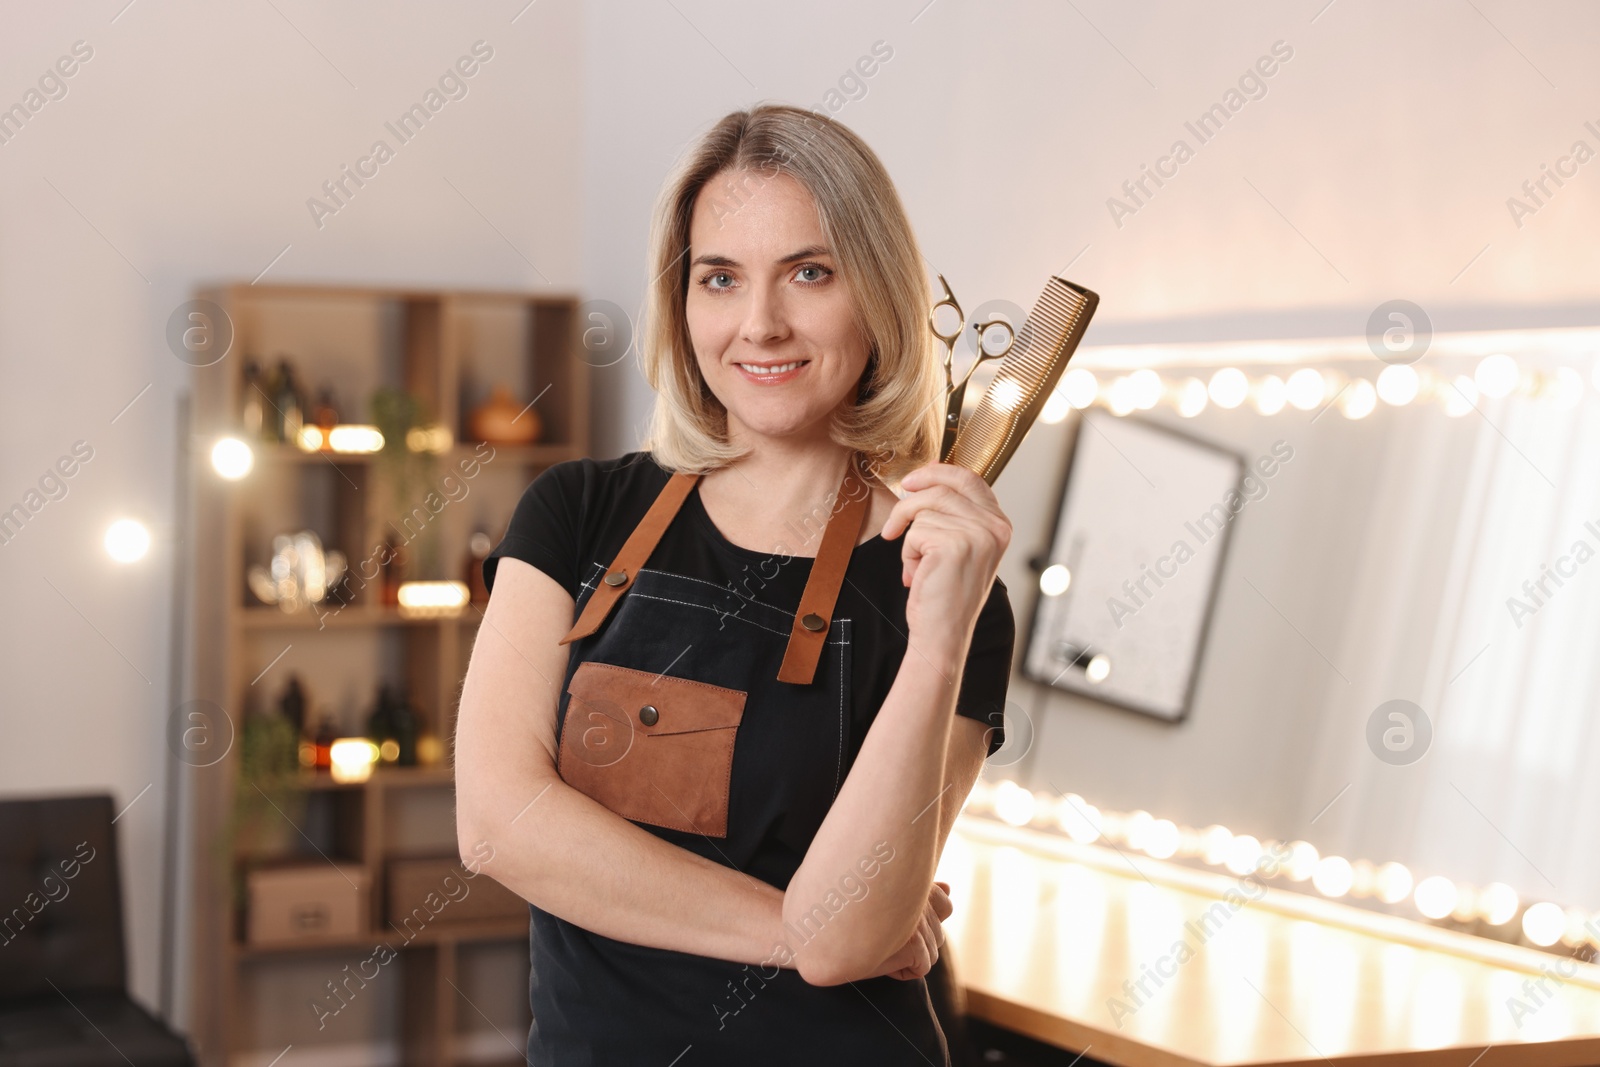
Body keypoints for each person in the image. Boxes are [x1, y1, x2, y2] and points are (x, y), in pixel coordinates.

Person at [454, 102, 1015, 1065]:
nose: (760, 324)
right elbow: (500, 825)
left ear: (877, 295)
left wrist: (940, 638)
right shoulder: (578, 515)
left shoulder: (943, 586)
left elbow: (851, 939)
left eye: (809, 272)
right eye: (720, 278)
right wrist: (797, 926)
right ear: (683, 302)